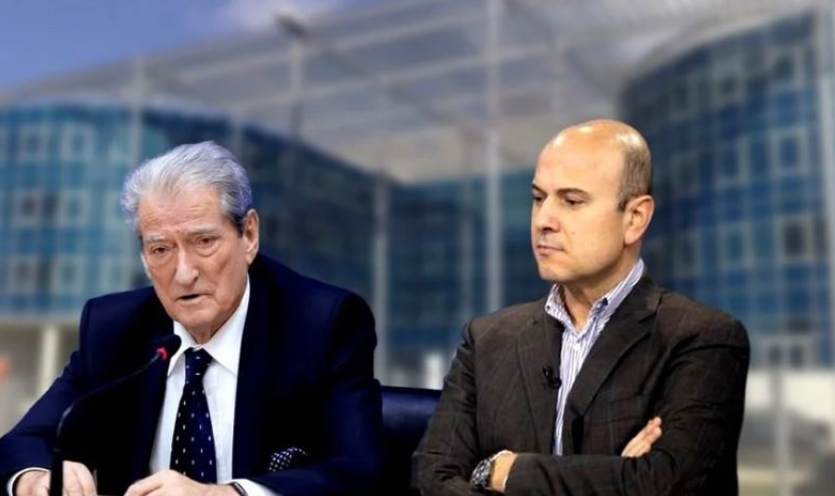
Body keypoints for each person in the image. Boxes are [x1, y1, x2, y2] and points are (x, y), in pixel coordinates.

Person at [0, 142, 382, 496]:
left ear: (249, 235)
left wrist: (221, 494)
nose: (184, 273)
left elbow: (360, 471)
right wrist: (37, 479)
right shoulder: (113, 329)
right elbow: (23, 441)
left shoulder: (322, 324)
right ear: (144, 257)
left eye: (204, 242)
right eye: (161, 249)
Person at [413, 119, 750, 495]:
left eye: (572, 201)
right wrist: (615, 476)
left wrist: (505, 471)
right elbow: (432, 479)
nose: (543, 220)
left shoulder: (703, 339)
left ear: (634, 218)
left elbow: (664, 485)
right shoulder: (486, 339)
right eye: (538, 198)